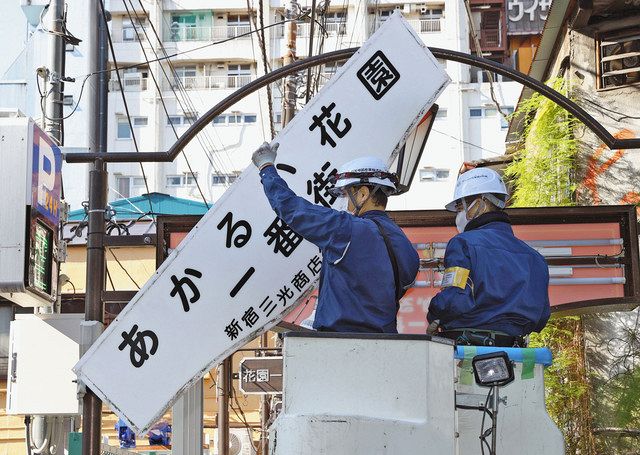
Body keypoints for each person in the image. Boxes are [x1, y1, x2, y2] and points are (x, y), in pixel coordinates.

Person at [252, 142, 419, 333]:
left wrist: (266, 168)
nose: (345, 204)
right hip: (386, 342)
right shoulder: (405, 245)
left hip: (340, 343)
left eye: (347, 195)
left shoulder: (346, 229)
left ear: (363, 194)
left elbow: (292, 209)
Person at [426, 167, 550, 347]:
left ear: (480, 203)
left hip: (470, 350)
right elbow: (541, 317)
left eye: (460, 207)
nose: (458, 215)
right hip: (516, 353)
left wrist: (434, 313)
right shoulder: (534, 257)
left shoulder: (463, 243)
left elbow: (455, 298)